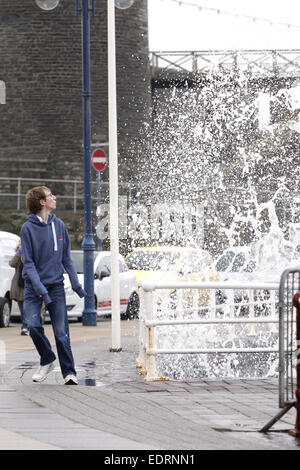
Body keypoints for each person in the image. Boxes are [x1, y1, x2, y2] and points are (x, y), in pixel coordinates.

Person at [20, 186, 86, 385]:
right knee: (32, 325)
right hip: (34, 287)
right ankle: (47, 359)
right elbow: (28, 263)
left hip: (56, 286)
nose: (54, 198)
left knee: (61, 332)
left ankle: (69, 373)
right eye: (50, 195)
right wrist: (41, 290)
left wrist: (76, 285)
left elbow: (66, 258)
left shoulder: (59, 225)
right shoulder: (27, 228)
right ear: (41, 202)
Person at [9, 241, 29, 335]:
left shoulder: (31, 253)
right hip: (19, 285)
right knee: (22, 308)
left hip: (29, 284)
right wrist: (19, 253)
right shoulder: (19, 255)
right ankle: (25, 327)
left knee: (27, 307)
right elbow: (12, 263)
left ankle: (26, 326)